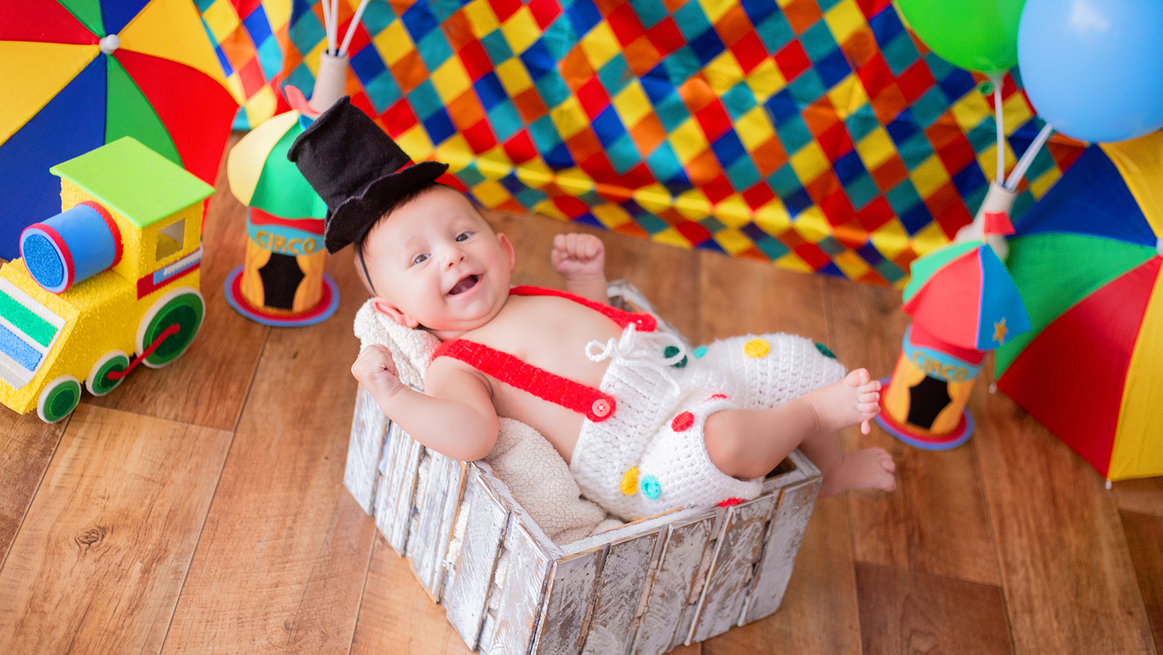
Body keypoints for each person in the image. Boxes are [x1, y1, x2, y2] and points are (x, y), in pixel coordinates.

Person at [290, 97, 895, 522]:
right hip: (644, 462)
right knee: (729, 440)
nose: (450, 256)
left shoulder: (526, 298)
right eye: (419, 260)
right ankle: (813, 416)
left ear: (503, 252)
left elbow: (599, 329)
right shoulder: (458, 362)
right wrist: (396, 397)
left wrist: (590, 280)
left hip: (690, 375)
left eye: (463, 236)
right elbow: (474, 435)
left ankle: (828, 473)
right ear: (398, 314)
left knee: (801, 357)